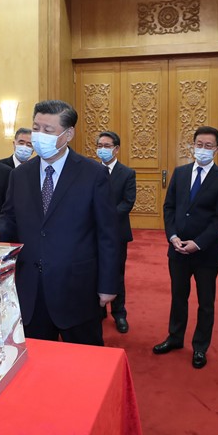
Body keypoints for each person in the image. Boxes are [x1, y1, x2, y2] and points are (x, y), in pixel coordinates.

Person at [0, 100, 118, 346]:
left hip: (76, 287)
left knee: (85, 360)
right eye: (36, 128)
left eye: (48, 130)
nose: (39, 135)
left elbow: (108, 233)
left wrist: (108, 284)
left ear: (68, 134)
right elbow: (9, 216)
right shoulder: (20, 174)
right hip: (31, 287)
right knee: (36, 360)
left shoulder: (93, 174)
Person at [153, 126, 218, 369]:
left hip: (206, 252)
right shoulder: (180, 173)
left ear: (217, 149)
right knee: (178, 296)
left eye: (208, 146)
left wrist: (198, 243)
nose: (203, 149)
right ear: (193, 145)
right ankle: (175, 337)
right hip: (177, 249)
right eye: (199, 144)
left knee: (205, 302)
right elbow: (169, 207)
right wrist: (172, 236)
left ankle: (200, 346)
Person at [96, 130, 136, 333]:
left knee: (116, 273)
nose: (102, 149)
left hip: (116, 232)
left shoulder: (127, 173)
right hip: (93, 231)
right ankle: (98, 310)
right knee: (94, 270)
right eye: (99, 146)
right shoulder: (91, 170)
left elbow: (128, 202)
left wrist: (105, 217)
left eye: (107, 146)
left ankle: (119, 313)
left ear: (116, 149)